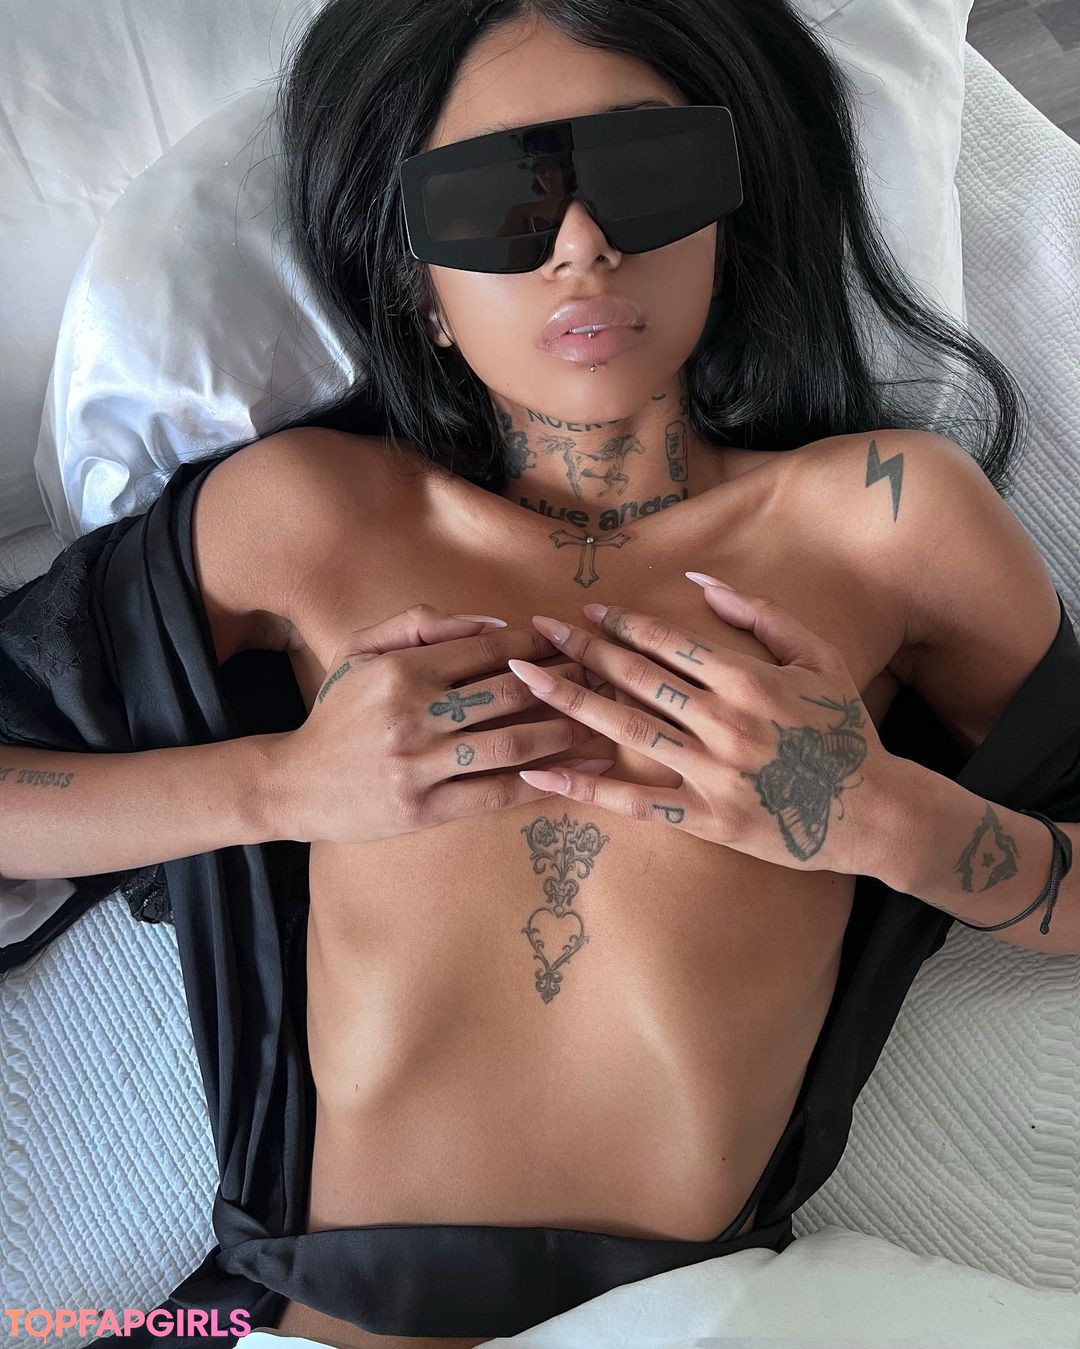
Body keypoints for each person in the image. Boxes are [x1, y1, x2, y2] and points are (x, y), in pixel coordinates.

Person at [3, 2, 1079, 1347]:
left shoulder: (888, 520)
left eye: (645, 171)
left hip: (725, 1318)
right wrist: (280, 784)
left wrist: (887, 820)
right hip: (318, 1326)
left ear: (727, 215)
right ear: (419, 283)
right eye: (496, 199)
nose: (582, 241)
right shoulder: (305, 519)